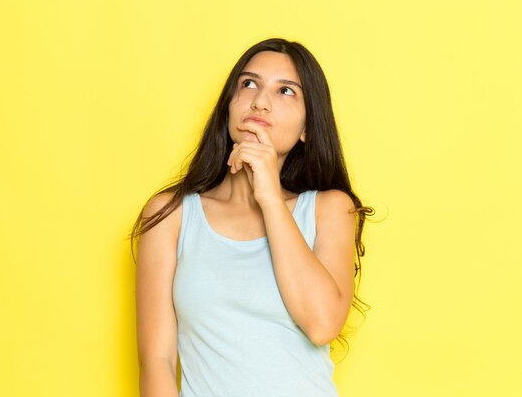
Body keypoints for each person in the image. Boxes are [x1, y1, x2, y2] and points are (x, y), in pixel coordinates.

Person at [130, 37, 373, 397]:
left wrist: (270, 198)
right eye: (249, 84)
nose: (260, 101)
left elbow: (322, 324)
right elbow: (156, 361)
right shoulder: (171, 216)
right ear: (229, 106)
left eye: (286, 91)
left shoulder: (329, 209)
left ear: (307, 128)